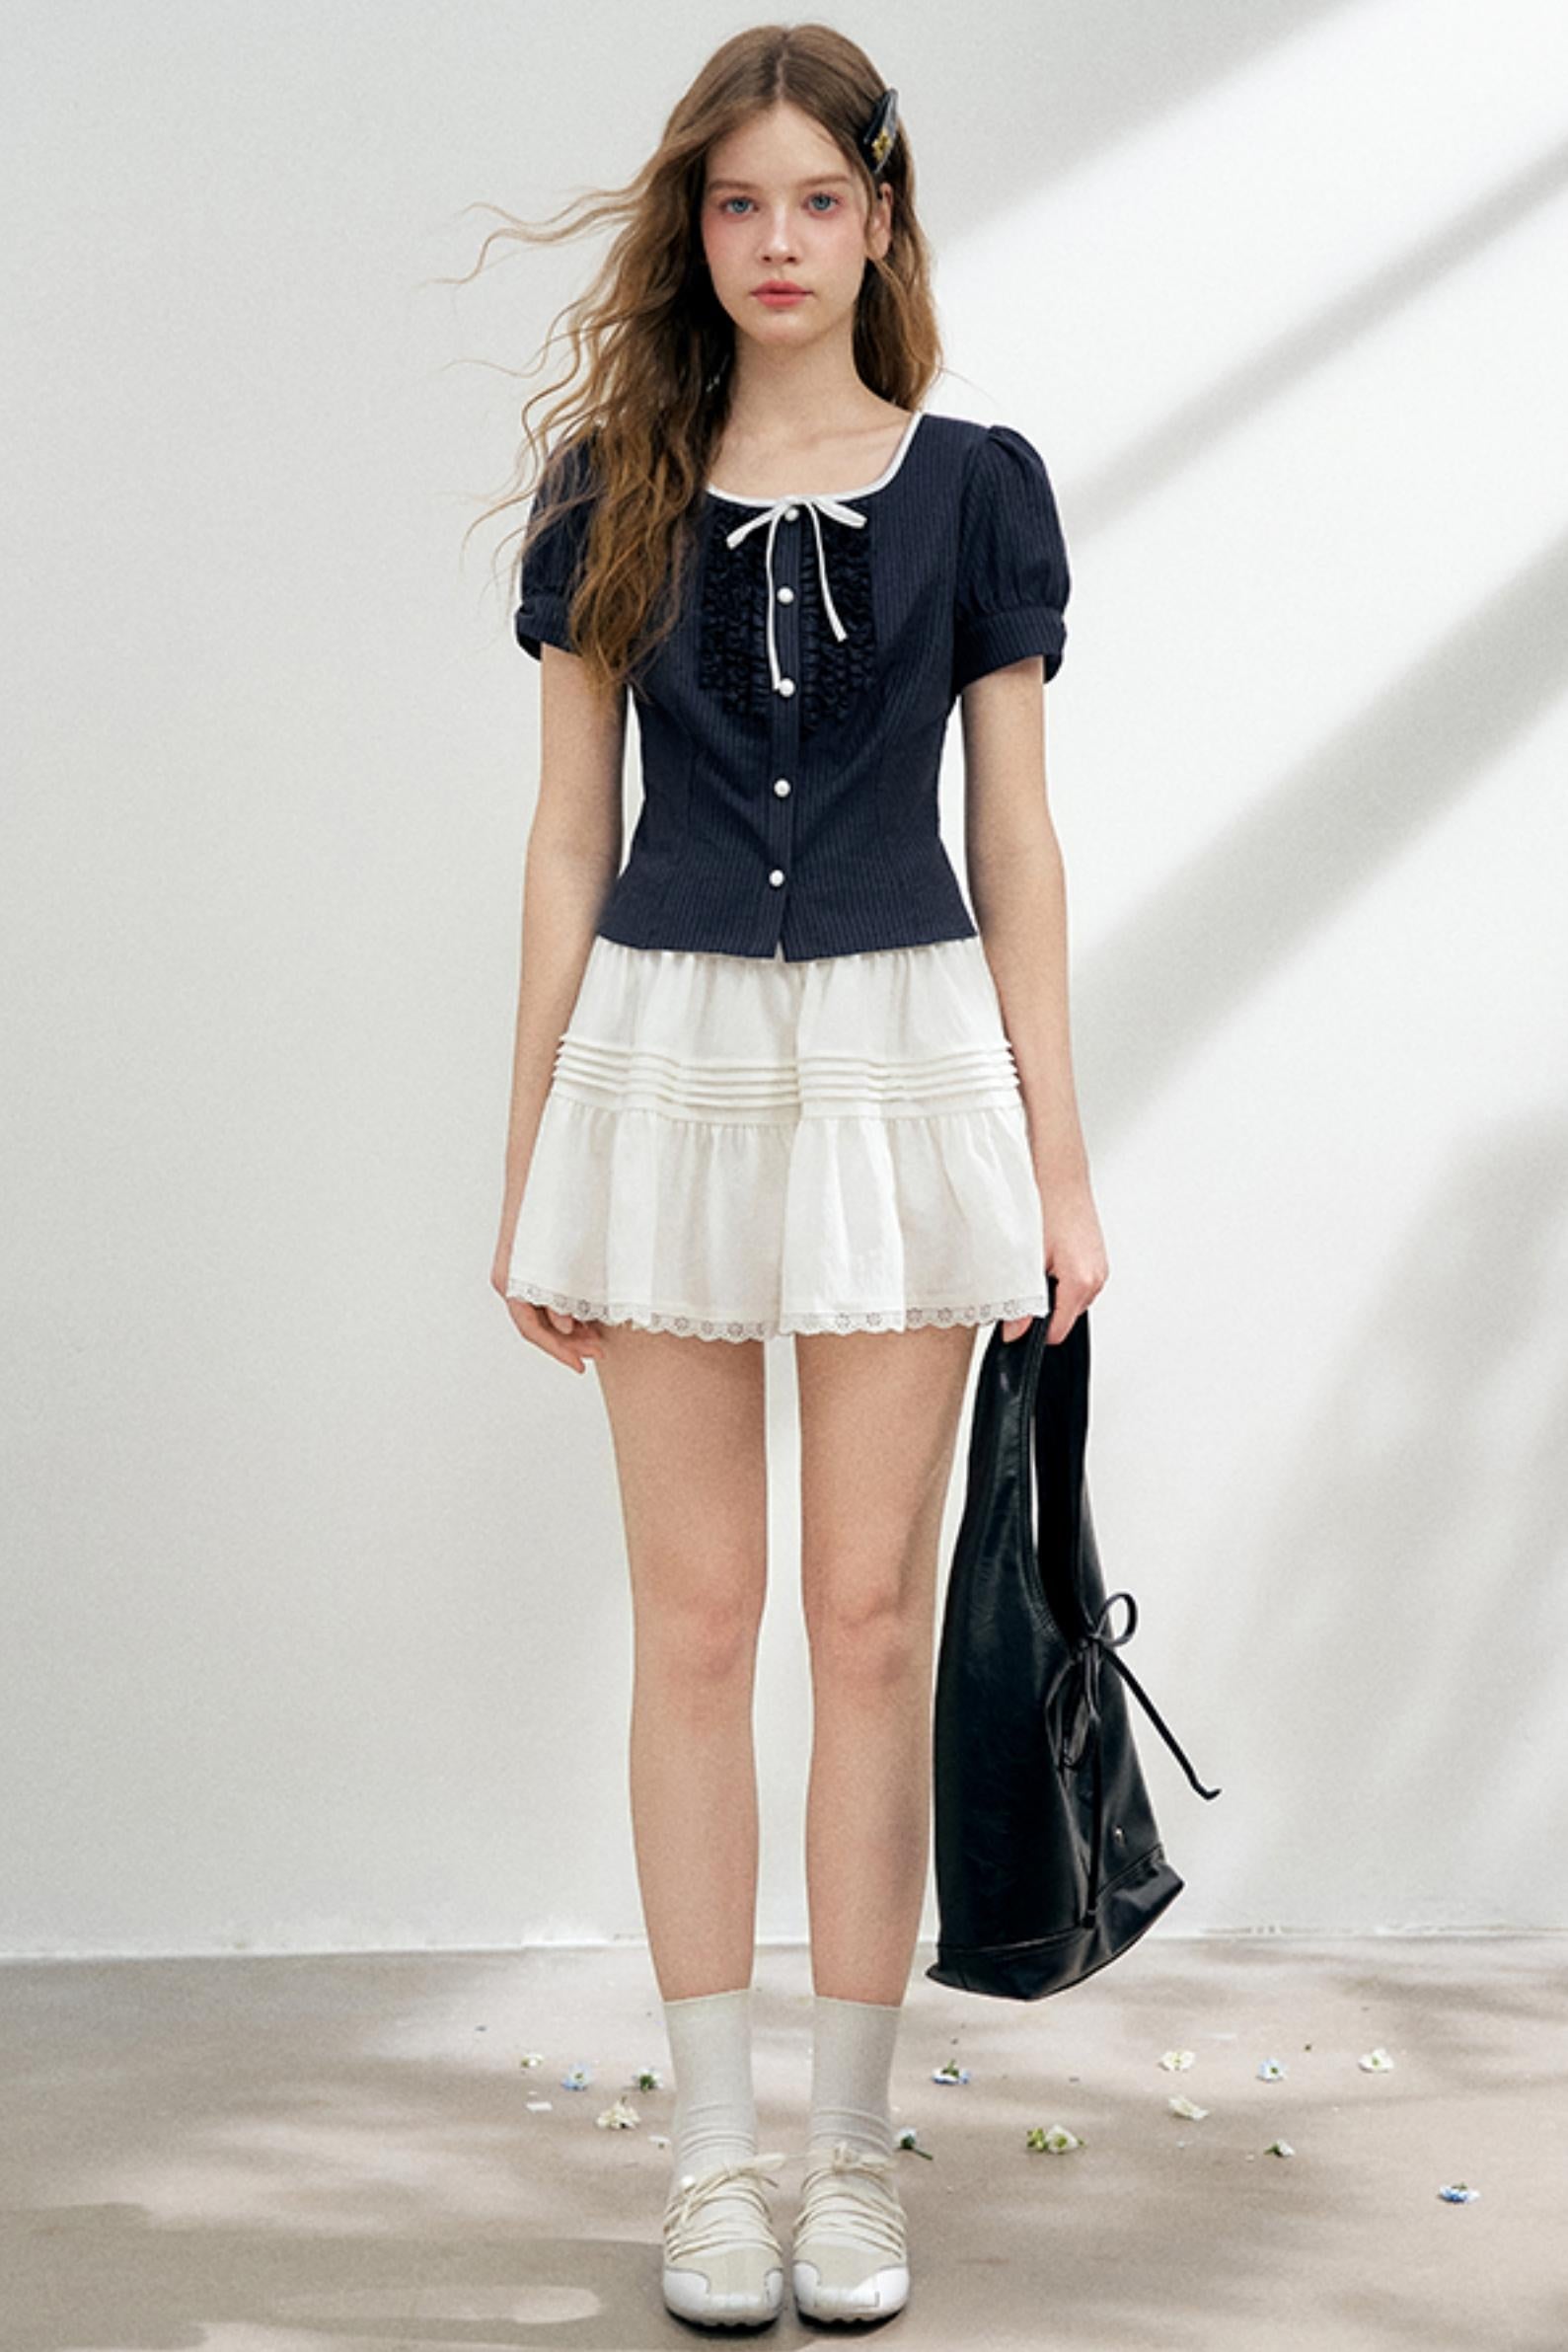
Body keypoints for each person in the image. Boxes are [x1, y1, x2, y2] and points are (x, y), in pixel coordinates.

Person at [485, 25, 1108, 2329]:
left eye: (815, 201)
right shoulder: (608, 490)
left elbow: (1015, 842)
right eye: (737, 203)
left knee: (865, 1625)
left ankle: (852, 2155)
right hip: (660, 1066)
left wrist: (1060, 1166)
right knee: (698, 1623)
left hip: (902, 1067)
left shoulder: (976, 490)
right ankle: (710, 2166)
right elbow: (566, 840)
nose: (775, 242)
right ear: (699, 225)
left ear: (879, 217)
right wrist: (531, 1155)